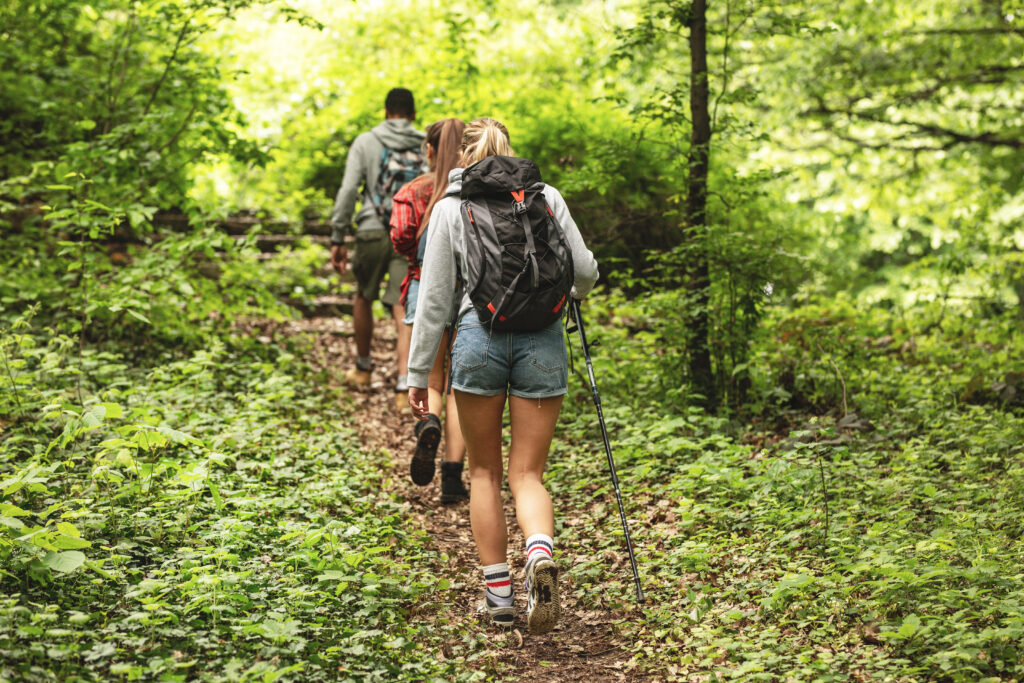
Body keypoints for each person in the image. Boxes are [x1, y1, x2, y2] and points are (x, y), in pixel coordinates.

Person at [406, 118, 599, 634]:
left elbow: (434, 302)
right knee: (528, 474)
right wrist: (568, 296)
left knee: (485, 474)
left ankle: (499, 599)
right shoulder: (547, 197)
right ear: (509, 148)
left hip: (477, 342)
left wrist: (418, 372)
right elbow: (583, 273)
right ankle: (539, 553)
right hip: (542, 340)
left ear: (462, 156)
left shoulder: (450, 207)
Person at [329, 88, 425, 411]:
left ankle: (363, 368)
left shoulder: (366, 141)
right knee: (403, 306)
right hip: (409, 230)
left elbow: (347, 190)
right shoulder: (426, 142)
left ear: (386, 111)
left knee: (363, 295)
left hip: (371, 227)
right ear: (412, 114)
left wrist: (338, 236)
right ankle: (402, 387)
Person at [389, 118, 469, 502]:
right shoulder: (476, 192)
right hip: (470, 296)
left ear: (430, 150)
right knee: (459, 389)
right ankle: (453, 479)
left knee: (431, 381)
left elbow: (400, 236)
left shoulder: (414, 191)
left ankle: (428, 424)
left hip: (425, 289)